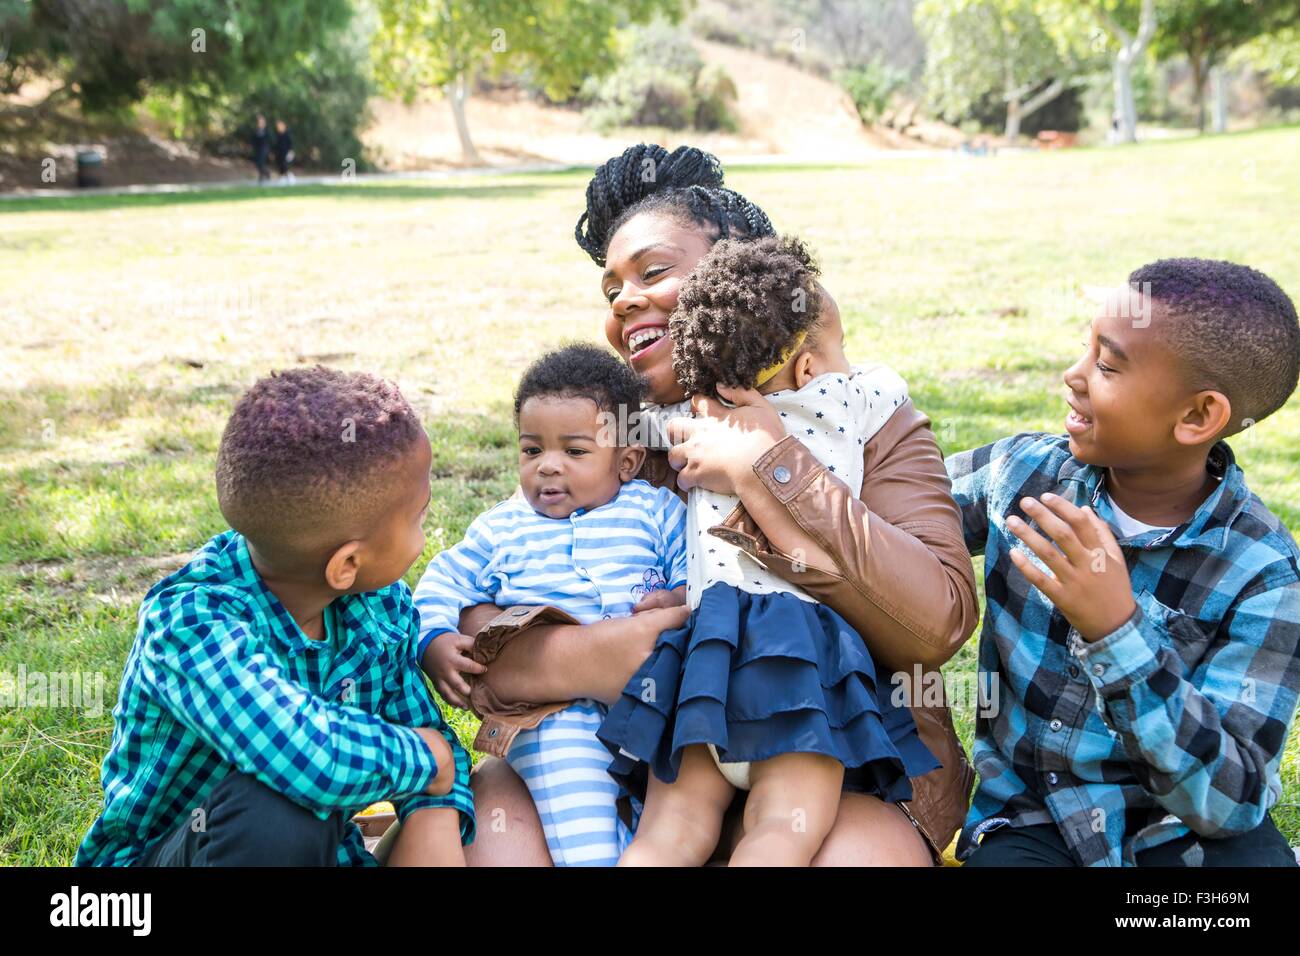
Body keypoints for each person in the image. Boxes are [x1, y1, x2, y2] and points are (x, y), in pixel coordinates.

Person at [458, 144, 980, 866]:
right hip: (649, 773)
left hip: (836, 771)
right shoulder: (609, 434)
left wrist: (772, 467)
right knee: (492, 806)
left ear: (742, 268)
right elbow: (485, 646)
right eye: (610, 288)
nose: (624, 302)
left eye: (654, 272)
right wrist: (624, 653)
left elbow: (938, 621)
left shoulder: (859, 409)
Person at [598, 234, 939, 865]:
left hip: (709, 658)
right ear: (809, 365)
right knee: (782, 831)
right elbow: (888, 389)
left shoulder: (695, 419)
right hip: (797, 666)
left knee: (668, 834)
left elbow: (614, 427)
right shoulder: (855, 394)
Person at [948, 258, 1300, 867]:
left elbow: (1232, 799)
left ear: (1197, 417)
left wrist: (1116, 631)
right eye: (1084, 351)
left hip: (1186, 829)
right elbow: (899, 509)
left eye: (1106, 366)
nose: (1073, 375)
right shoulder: (1024, 477)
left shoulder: (1263, 574)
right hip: (1037, 818)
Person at [76, 366, 475, 866]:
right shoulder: (190, 623)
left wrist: (432, 807)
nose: (426, 530)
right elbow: (307, 755)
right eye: (420, 517)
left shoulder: (380, 607)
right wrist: (425, 758)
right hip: (165, 862)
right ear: (347, 564)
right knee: (282, 803)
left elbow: (434, 745)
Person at [414, 344, 688, 866]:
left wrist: (676, 594)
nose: (547, 468)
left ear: (625, 461)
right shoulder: (504, 527)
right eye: (531, 450)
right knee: (581, 820)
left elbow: (695, 569)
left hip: (650, 705)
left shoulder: (653, 509)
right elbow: (442, 579)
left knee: (659, 819)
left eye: (575, 452)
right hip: (551, 715)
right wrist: (435, 640)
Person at [274, 119, 295, 184]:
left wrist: (291, 152)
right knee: (281, 166)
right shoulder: (277, 135)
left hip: (287, 152)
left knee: (286, 165)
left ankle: (291, 177)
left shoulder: (287, 134)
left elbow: (290, 144)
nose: (279, 127)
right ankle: (282, 178)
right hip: (280, 153)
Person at [251, 114, 270, 184]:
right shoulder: (256, 131)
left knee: (261, 162)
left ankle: (262, 175)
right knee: (257, 163)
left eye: (262, 122)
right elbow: (253, 139)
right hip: (257, 149)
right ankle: (266, 172)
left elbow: (269, 140)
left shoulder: (266, 130)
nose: (260, 123)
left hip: (264, 148)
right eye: (259, 122)